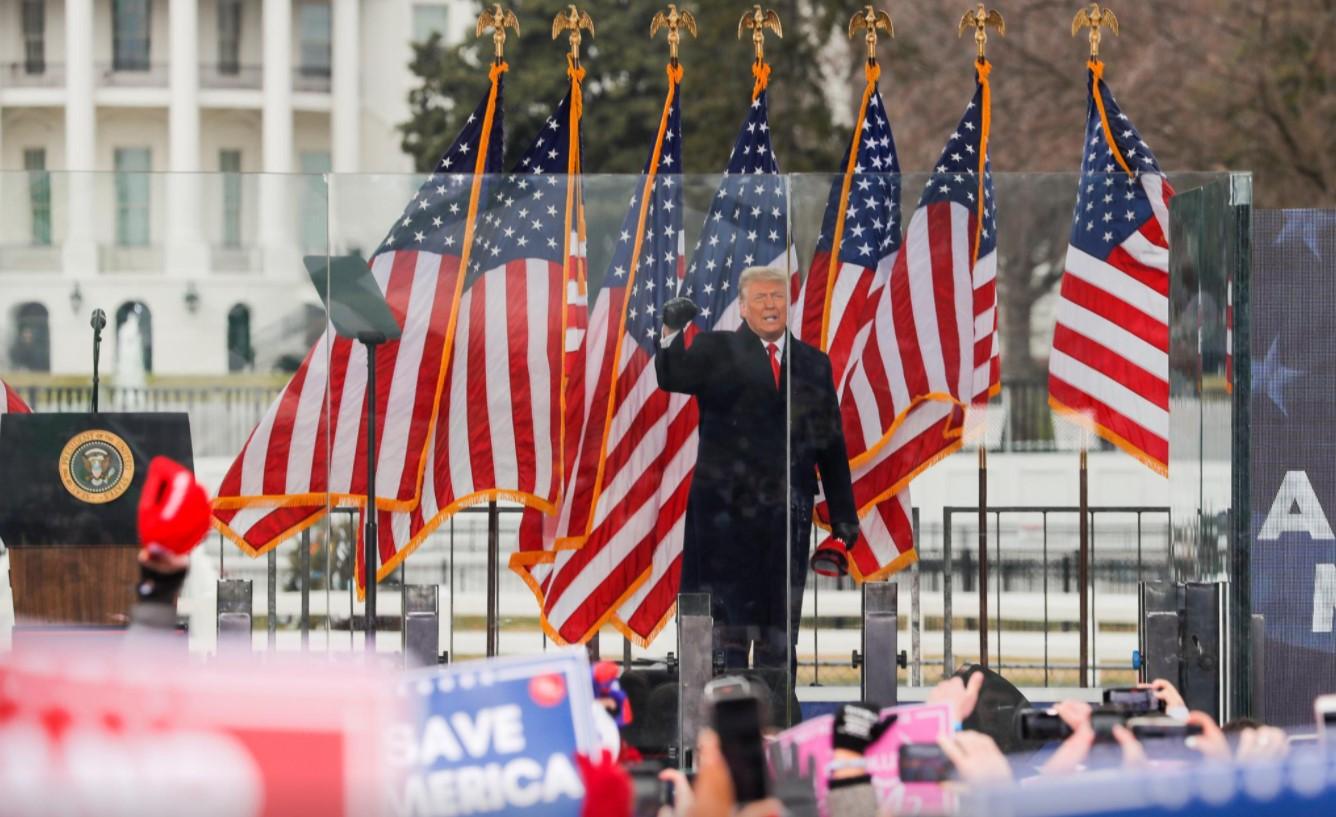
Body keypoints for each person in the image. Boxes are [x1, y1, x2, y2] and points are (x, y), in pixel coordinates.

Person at [656, 266, 859, 674]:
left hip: (788, 517)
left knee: (779, 636)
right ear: (744, 308)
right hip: (725, 519)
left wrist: (843, 517)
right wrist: (672, 330)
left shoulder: (813, 363)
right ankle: (727, 727)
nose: (771, 305)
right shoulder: (716, 350)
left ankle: (778, 726)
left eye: (777, 297)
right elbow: (672, 376)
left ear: (788, 304)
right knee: (727, 636)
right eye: (761, 298)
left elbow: (830, 445)